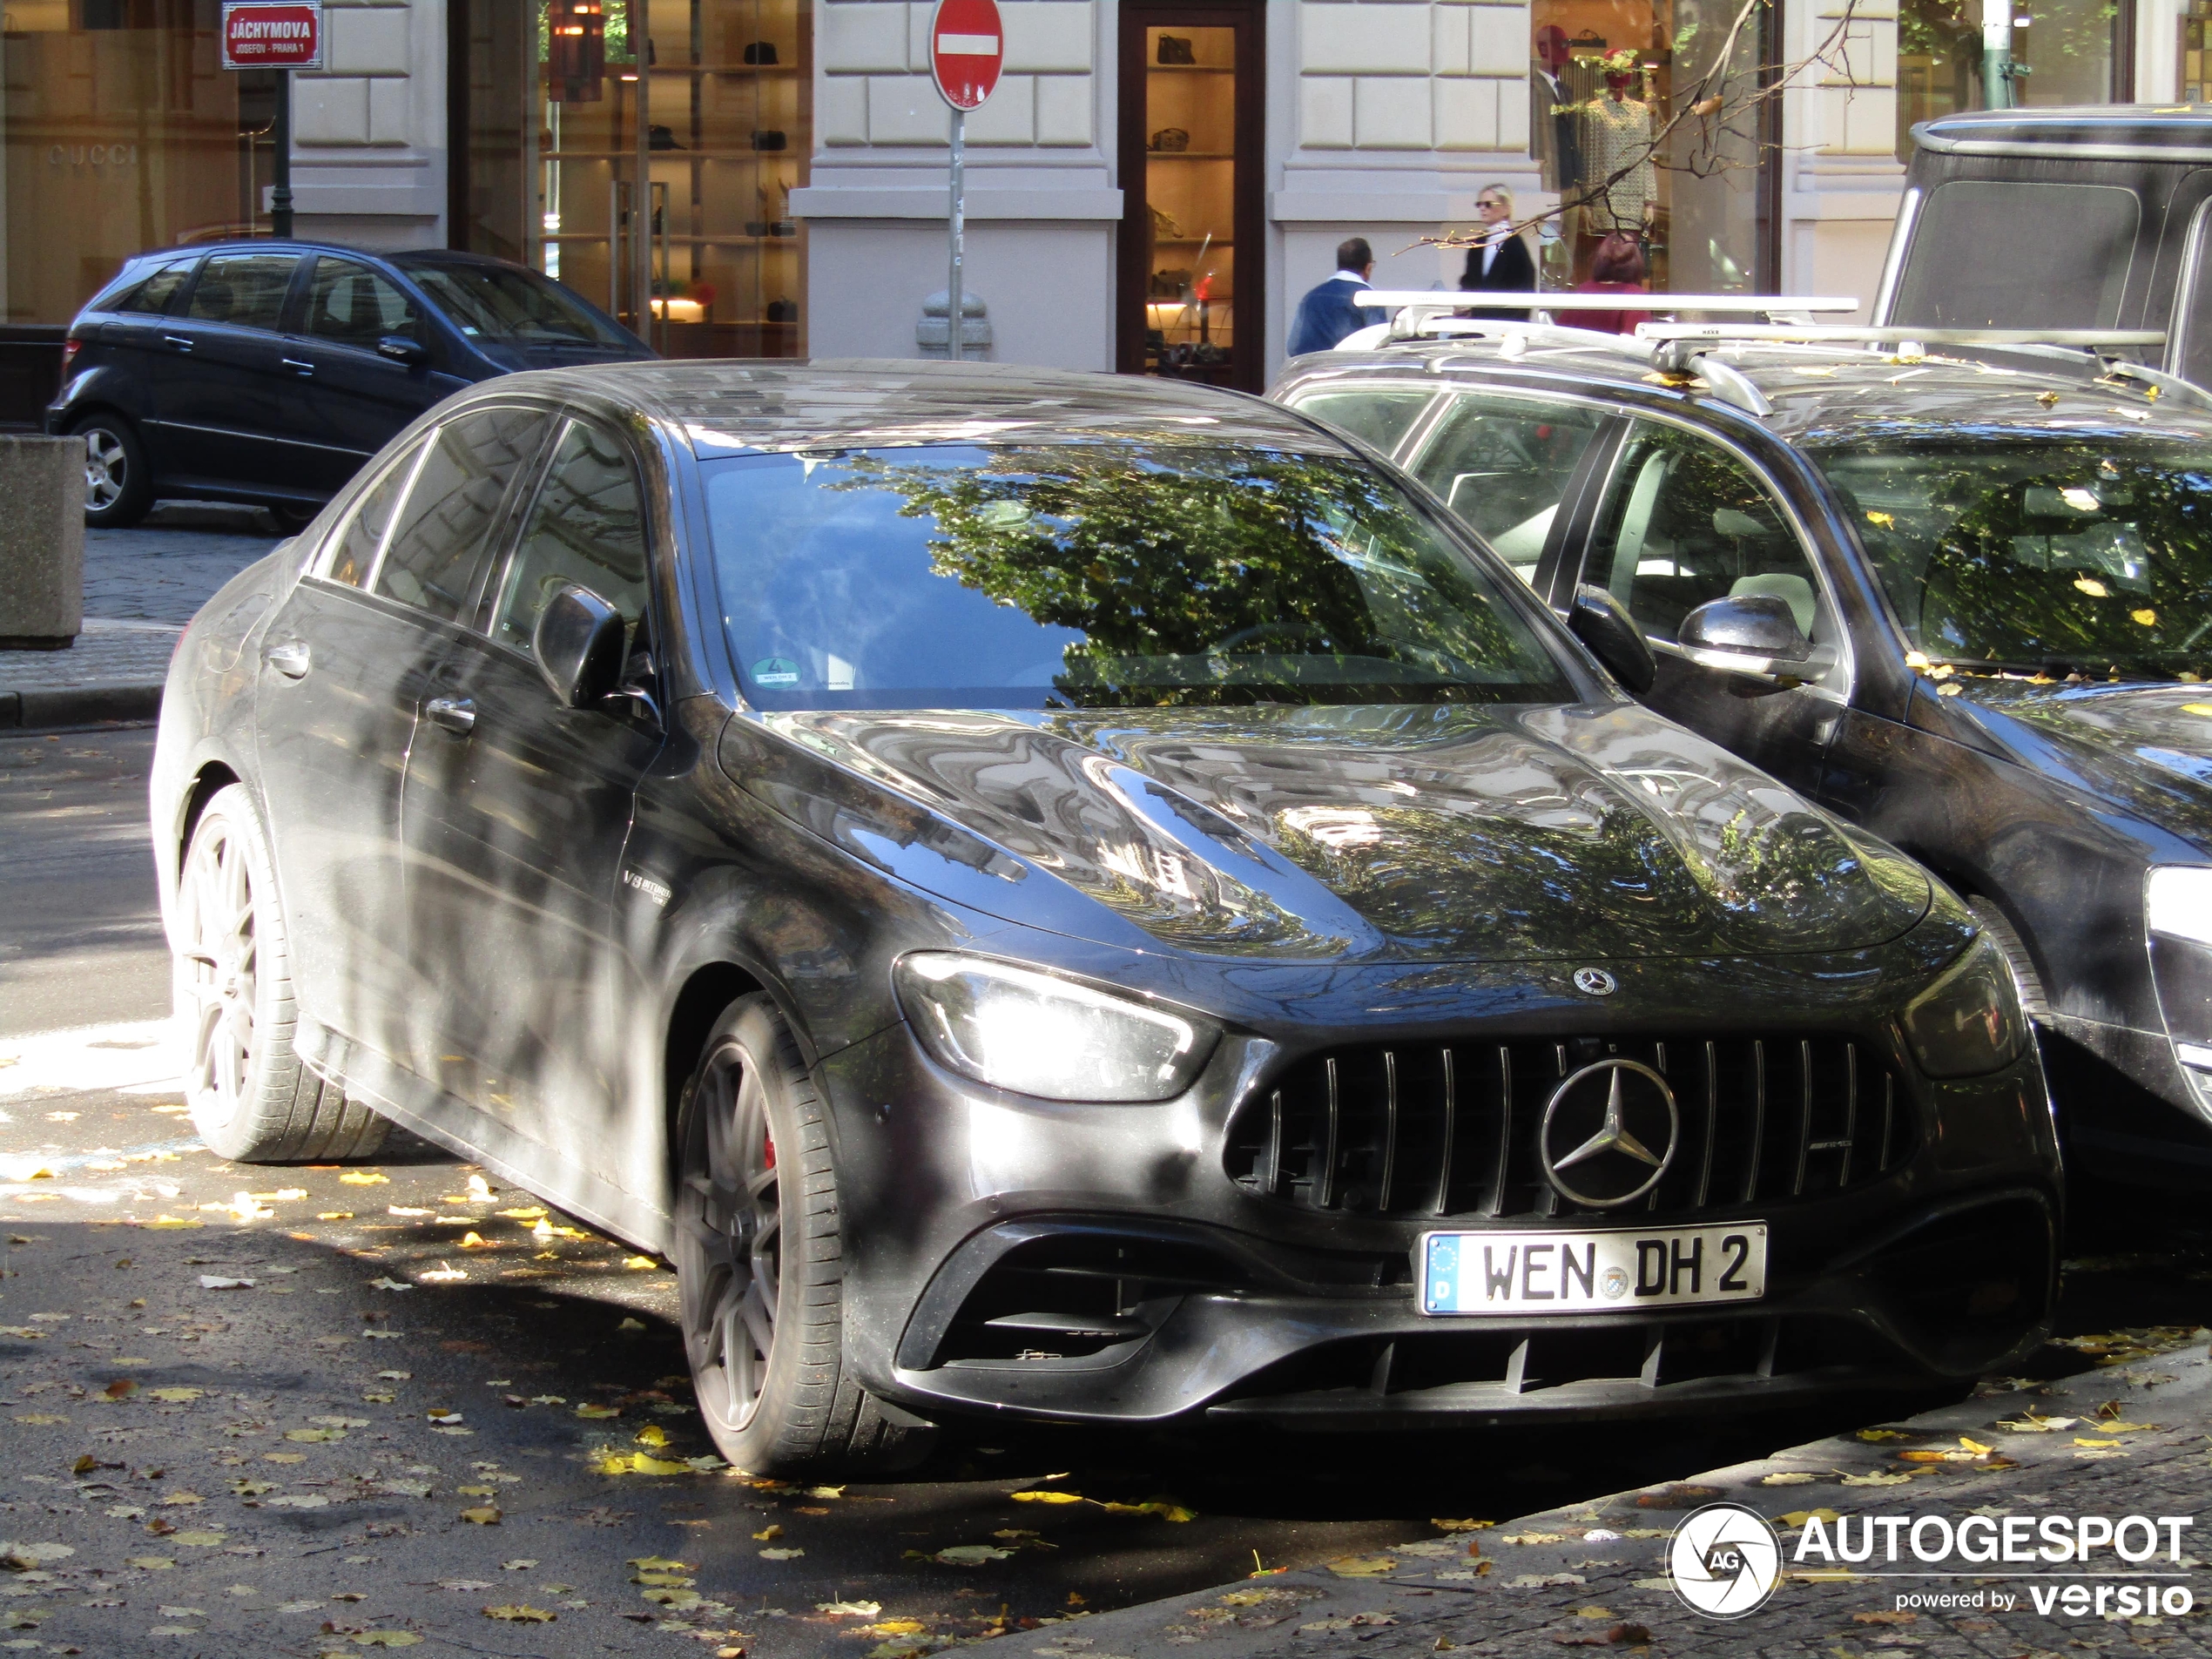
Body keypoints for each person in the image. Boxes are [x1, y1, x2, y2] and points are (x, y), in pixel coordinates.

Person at [1286, 237, 1375, 356]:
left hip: (1311, 371)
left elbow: (1293, 347)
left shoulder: (1311, 297)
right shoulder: (1368, 298)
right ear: (1368, 268)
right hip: (1351, 371)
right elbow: (1378, 345)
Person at [1460, 184, 1535, 319]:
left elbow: (1523, 288)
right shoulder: (1478, 242)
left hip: (1504, 323)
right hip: (1476, 323)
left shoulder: (1515, 245)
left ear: (1506, 209)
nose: (1482, 208)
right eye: (1479, 204)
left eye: (1489, 204)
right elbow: (1469, 281)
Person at [1568, 231, 1653, 335]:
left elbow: (1561, 335)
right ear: (1636, 261)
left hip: (1577, 351)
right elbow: (1636, 343)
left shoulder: (1584, 290)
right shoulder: (1635, 296)